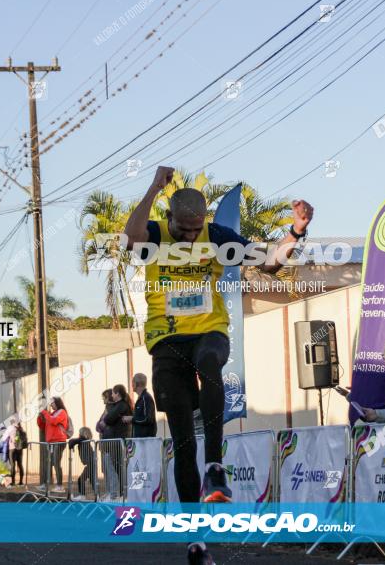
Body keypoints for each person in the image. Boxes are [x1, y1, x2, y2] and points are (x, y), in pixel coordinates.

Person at [124, 165, 313, 564]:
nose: (192, 237)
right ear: (170, 217)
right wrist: (154, 187)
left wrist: (295, 232)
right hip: (166, 341)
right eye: (184, 229)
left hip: (210, 330)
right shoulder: (156, 233)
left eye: (197, 228)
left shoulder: (217, 237)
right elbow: (130, 236)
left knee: (211, 365)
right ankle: (195, 540)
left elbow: (270, 263)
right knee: (180, 437)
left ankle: (215, 466)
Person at [102, 384, 133, 500]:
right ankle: (122, 494)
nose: (112, 395)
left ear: (118, 394)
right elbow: (107, 419)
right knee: (118, 469)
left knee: (121, 468)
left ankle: (124, 494)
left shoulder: (122, 405)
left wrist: (108, 417)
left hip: (121, 441)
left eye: (113, 393)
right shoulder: (117, 405)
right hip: (116, 441)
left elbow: (108, 419)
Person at [37, 397, 70, 493]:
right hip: (52, 442)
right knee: (49, 463)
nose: (50, 405)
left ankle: (60, 486)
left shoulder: (62, 412)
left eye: (52, 403)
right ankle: (44, 485)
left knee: (56, 463)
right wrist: (40, 417)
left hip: (59, 441)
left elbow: (53, 421)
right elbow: (43, 426)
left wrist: (44, 412)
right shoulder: (52, 414)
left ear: (57, 403)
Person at [67, 426, 96, 501]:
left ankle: (83, 496)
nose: (78, 434)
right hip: (91, 463)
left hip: (90, 463)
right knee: (92, 480)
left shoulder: (83, 439)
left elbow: (72, 441)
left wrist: (71, 446)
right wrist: (72, 445)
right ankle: (97, 496)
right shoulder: (84, 440)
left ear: (82, 433)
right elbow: (73, 441)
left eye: (79, 433)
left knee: (81, 479)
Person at [124, 373, 157, 437]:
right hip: (140, 439)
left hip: (145, 439)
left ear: (136, 384)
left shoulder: (146, 398)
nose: (132, 385)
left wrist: (131, 419)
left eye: (133, 383)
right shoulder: (142, 398)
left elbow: (147, 419)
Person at [10, 421, 28, 486]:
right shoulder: (22, 430)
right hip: (20, 449)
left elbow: (11, 440)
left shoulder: (12, 430)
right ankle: (21, 482)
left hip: (12, 449)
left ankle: (13, 482)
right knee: (20, 465)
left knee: (12, 465)